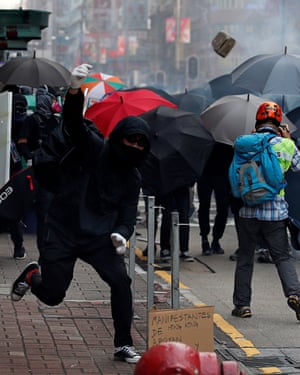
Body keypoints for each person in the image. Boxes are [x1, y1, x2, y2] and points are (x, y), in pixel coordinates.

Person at [10, 63, 151, 364]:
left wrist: (121, 236)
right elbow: (73, 122)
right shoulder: (95, 149)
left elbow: (127, 216)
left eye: (141, 143)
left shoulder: (133, 177)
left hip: (99, 237)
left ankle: (123, 344)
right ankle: (34, 274)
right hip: (63, 228)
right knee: (52, 295)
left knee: (121, 283)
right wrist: (74, 90)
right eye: (131, 140)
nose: (135, 146)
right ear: (119, 137)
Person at [232, 101, 300, 320]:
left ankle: (243, 306)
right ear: (279, 122)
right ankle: (295, 294)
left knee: (245, 258)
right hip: (276, 213)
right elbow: (298, 167)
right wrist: (289, 142)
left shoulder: (244, 143)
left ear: (258, 121)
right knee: (282, 257)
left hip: (248, 212)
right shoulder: (286, 145)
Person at [16, 85, 61, 253]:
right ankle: (43, 249)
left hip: (56, 174)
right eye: (54, 99)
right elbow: (22, 143)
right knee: (43, 214)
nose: (57, 103)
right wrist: (30, 158)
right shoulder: (32, 120)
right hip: (38, 175)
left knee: (55, 215)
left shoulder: (57, 121)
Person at [196, 142, 233, 256]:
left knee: (222, 208)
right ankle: (205, 238)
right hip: (206, 174)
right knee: (204, 206)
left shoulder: (227, 140)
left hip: (222, 175)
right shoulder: (205, 138)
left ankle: (216, 239)